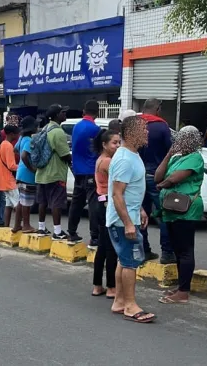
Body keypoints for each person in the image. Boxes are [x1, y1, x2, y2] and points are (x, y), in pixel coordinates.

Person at [107, 116, 155, 323]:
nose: (147, 133)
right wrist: (127, 222)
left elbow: (131, 190)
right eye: (143, 129)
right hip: (122, 220)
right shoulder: (125, 159)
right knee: (131, 263)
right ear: (131, 133)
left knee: (124, 261)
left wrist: (141, 210)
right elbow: (117, 194)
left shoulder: (133, 155)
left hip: (130, 215)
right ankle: (130, 305)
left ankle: (119, 301)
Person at [154, 126, 204, 304]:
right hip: (171, 209)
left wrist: (162, 185)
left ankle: (184, 292)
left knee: (185, 250)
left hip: (186, 209)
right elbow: (157, 176)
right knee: (177, 250)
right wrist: (169, 155)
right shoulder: (176, 157)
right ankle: (181, 286)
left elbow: (175, 178)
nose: (179, 141)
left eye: (183, 138)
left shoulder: (195, 158)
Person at [139, 98, 174, 264]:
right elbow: (170, 151)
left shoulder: (135, 125)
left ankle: (144, 250)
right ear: (158, 109)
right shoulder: (161, 126)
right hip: (156, 176)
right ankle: (167, 253)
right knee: (164, 214)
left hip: (137, 177)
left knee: (141, 213)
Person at [92, 128, 120, 299]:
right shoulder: (108, 161)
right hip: (107, 203)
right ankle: (111, 287)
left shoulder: (101, 159)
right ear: (104, 144)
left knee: (103, 247)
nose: (117, 145)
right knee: (110, 248)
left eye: (119, 142)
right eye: (114, 143)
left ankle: (97, 285)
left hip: (100, 202)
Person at [36, 104, 71, 241]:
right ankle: (57, 231)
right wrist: (72, 159)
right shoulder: (58, 132)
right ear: (57, 115)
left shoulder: (45, 128)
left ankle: (41, 227)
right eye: (63, 112)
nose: (65, 114)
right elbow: (64, 154)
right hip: (55, 173)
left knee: (42, 202)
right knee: (56, 202)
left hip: (42, 173)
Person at [69, 100, 101, 247]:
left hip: (78, 170)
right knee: (93, 203)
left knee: (77, 202)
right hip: (90, 170)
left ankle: (72, 231)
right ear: (97, 112)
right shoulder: (95, 129)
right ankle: (95, 236)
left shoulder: (76, 127)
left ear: (84, 111)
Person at [0, 125, 20, 227]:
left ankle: (5, 227)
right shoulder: (9, 146)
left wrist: (1, 166)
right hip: (9, 180)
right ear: (11, 134)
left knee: (8, 204)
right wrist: (22, 167)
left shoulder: (2, 144)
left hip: (2, 180)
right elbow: (11, 165)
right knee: (18, 203)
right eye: (17, 133)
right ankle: (18, 226)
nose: (18, 135)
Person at [14, 116, 38, 234]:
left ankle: (17, 225)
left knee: (21, 201)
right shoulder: (28, 140)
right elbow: (24, 155)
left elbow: (15, 150)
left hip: (20, 173)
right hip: (27, 175)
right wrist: (32, 168)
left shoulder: (21, 138)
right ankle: (26, 225)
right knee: (27, 202)